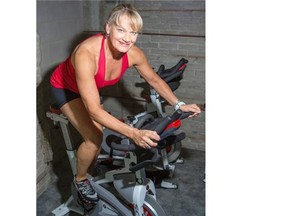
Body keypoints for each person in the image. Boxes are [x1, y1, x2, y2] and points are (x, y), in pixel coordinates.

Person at [50, 3, 201, 203]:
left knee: (99, 133)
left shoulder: (134, 54)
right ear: (108, 28)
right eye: (121, 30)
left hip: (90, 86)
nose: (127, 38)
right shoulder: (86, 53)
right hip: (66, 89)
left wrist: (178, 104)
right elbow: (94, 110)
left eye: (134, 32)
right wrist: (134, 133)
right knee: (94, 137)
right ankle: (80, 180)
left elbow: (154, 79)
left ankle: (89, 167)